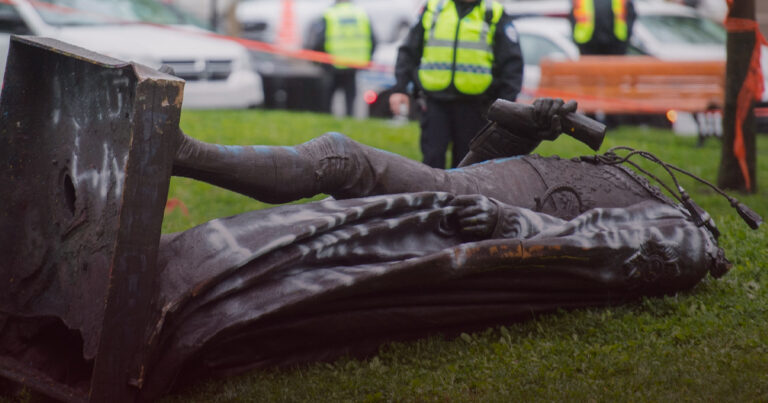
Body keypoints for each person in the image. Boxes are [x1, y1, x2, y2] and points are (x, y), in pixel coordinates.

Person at [387, 0, 524, 169]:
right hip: (435, 102)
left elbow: (512, 64)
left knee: (467, 165)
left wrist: (505, 105)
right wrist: (399, 88)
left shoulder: (493, 13)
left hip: (476, 107)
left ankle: (462, 196)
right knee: (432, 161)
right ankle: (432, 196)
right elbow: (408, 51)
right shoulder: (434, 8)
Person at [308, 0, 376, 117]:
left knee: (328, 100)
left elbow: (319, 40)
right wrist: (366, 58)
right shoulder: (360, 14)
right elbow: (373, 40)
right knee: (350, 99)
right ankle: (350, 121)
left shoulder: (330, 14)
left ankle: (327, 121)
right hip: (353, 64)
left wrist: (316, 61)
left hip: (332, 63)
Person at [569, 0, 636, 55]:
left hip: (616, 43)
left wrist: (626, 37)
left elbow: (630, 13)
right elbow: (574, 14)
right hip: (587, 43)